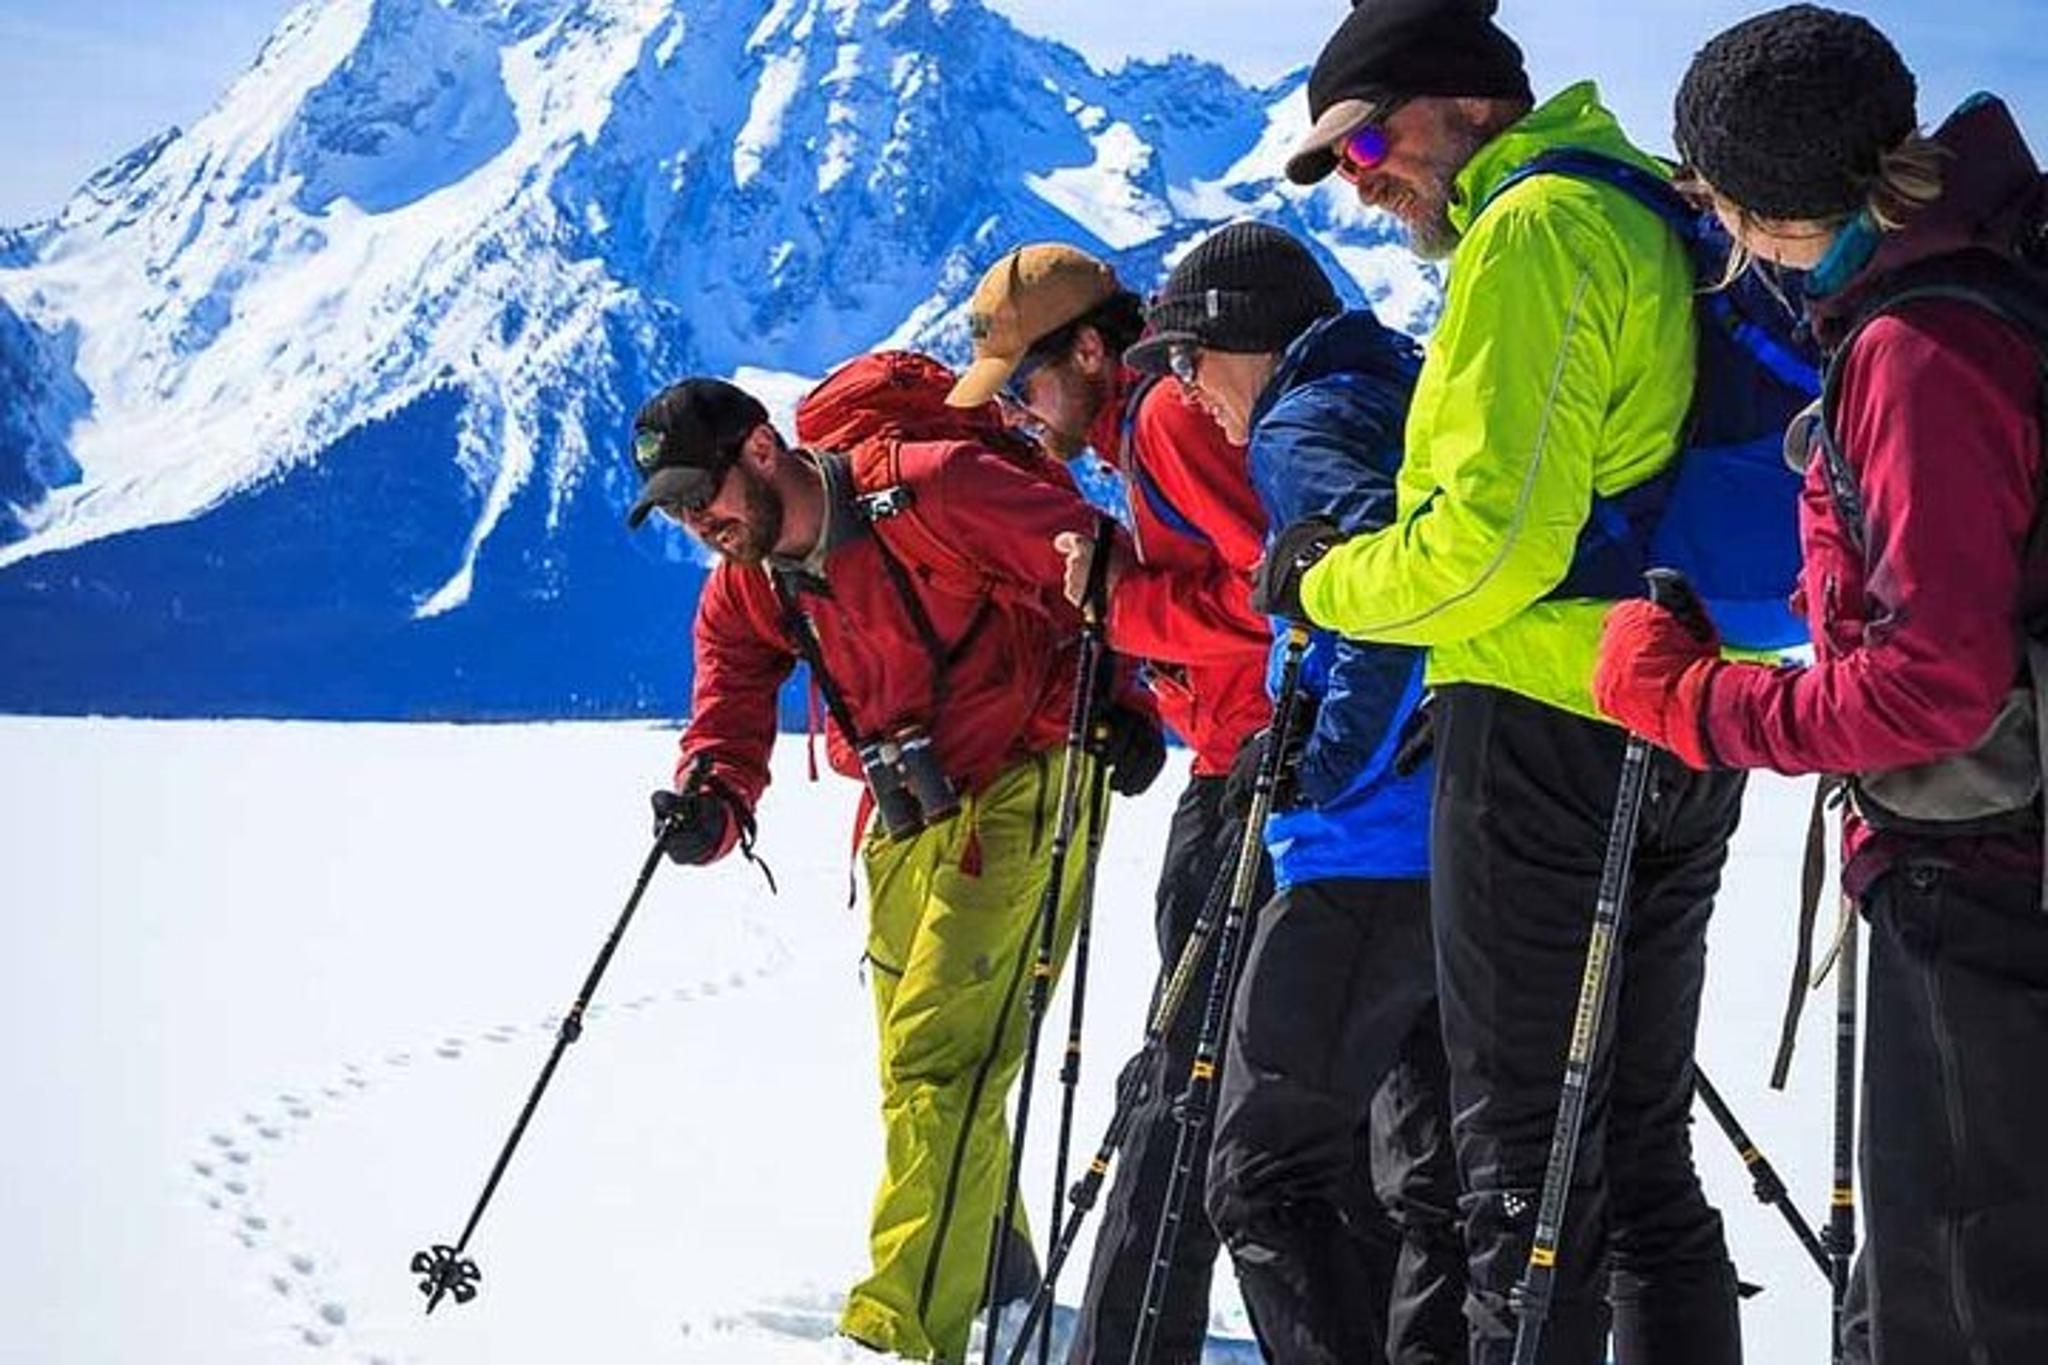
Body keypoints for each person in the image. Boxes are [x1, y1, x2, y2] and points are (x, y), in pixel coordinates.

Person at [1256, 1, 1748, 1360]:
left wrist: (1321, 582)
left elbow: (1483, 552)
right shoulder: (1638, 200)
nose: (1362, 177)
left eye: (1370, 139)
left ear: (1465, 101)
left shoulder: (1532, 231)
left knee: (1522, 1173)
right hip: (1678, 710)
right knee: (1639, 1149)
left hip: (1545, 724)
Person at [1595, 8, 2048, 1362]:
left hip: (1980, 869)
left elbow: (1935, 686)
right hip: (2002, 859)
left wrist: (1695, 701)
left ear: (1755, 204)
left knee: (1958, 1304)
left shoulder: (1922, 349)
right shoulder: (1993, 268)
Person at [625, 359, 1166, 1363]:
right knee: (916, 1068)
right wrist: (714, 796)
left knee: (939, 1056)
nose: (696, 522)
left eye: (701, 495)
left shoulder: (930, 492)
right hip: (903, 805)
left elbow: (1098, 558)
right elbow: (732, 692)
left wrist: (1125, 707)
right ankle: (994, 1270)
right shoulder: (747, 586)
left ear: (758, 451)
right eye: (675, 511)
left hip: (1026, 776)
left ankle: (898, 1335)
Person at [1129, 218, 1467, 1364]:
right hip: (1460, 840)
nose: (1182, 391)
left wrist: (1322, 771)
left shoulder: (1301, 422)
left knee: (1262, 1179)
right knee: (1429, 1180)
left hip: (1359, 856)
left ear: (1238, 339)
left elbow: (1379, 585)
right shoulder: (1397, 386)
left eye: (1184, 359)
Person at [946, 242, 1275, 1364]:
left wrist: (1124, 611)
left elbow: (1274, 592)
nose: (1025, 418)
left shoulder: (1172, 423)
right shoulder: (1152, 427)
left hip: (1256, 771)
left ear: (1089, 350)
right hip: (1259, 762)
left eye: (1028, 385)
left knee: (1180, 1084)